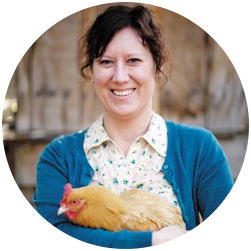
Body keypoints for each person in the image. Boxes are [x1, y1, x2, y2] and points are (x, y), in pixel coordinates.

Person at [33, 5, 234, 248]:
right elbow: (50, 237)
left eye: (134, 60)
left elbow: (227, 237)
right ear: (92, 71)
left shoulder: (200, 149)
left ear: (156, 67)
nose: (119, 76)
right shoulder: (59, 157)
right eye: (106, 61)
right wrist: (151, 240)